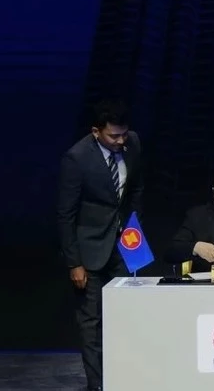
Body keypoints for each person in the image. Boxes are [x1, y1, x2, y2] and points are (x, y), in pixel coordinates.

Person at [56, 100, 144, 391]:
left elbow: (136, 188)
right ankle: (98, 385)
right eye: (113, 136)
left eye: (124, 134)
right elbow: (66, 214)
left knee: (126, 316)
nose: (121, 141)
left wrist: (133, 228)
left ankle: (125, 379)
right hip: (89, 252)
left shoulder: (133, 142)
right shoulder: (77, 158)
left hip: (124, 246)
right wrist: (74, 263)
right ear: (96, 132)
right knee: (91, 324)